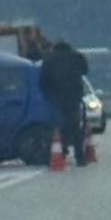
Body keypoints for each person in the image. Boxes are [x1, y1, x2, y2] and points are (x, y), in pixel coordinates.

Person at [40, 38, 90, 167]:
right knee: (75, 128)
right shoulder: (76, 56)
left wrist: (48, 95)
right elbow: (85, 70)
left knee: (58, 127)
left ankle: (60, 153)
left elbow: (43, 79)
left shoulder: (49, 59)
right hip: (73, 97)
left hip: (56, 99)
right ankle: (80, 157)